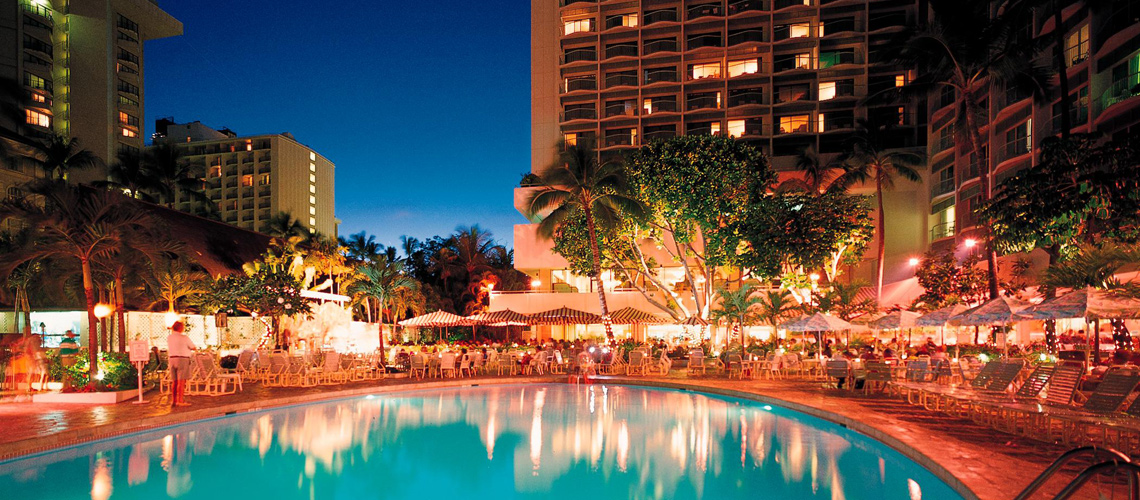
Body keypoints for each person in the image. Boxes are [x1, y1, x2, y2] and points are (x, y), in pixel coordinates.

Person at [167, 321, 197, 407]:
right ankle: (180, 400)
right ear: (180, 328)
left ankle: (174, 400)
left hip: (172, 359)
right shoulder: (184, 337)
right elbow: (193, 347)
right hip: (182, 359)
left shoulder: (169, 337)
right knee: (181, 381)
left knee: (174, 381)